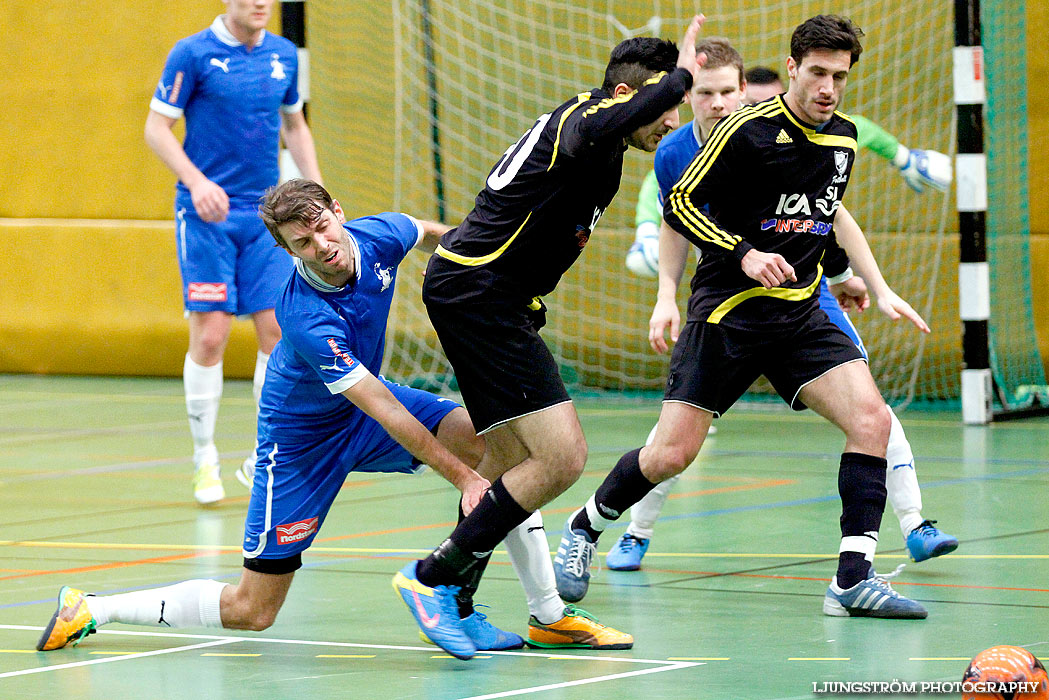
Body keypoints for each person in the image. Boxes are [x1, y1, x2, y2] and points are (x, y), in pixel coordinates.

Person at [35, 180, 628, 655]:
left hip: (364, 409)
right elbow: (386, 409)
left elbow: (432, 235)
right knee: (254, 609)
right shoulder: (305, 317)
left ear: (337, 212)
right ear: (287, 251)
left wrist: (491, 276)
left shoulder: (376, 237)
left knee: (510, 457)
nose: (321, 244)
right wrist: (463, 479)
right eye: (302, 242)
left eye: (322, 226)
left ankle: (546, 613)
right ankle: (92, 607)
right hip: (302, 444)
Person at [556, 15, 931, 620]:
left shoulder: (843, 139)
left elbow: (820, 212)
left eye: (839, 76)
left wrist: (846, 274)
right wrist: (746, 254)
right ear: (791, 69)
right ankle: (583, 525)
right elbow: (680, 204)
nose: (828, 88)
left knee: (872, 421)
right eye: (816, 73)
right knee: (670, 456)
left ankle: (852, 580)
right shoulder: (744, 131)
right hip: (727, 315)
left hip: (801, 313)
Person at [390, 17, 709, 661]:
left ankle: (459, 603)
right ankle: (431, 578)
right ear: (630, 95)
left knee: (505, 461)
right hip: (481, 295)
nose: (672, 122)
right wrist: (682, 75)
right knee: (562, 458)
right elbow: (610, 119)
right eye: (666, 107)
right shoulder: (584, 123)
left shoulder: (600, 145)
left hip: (485, 295)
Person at [145, 0, 322, 505]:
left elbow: (295, 126)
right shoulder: (192, 54)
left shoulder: (285, 55)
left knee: (276, 329)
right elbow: (156, 128)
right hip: (207, 218)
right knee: (211, 335)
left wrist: (316, 193)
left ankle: (266, 454)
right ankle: (205, 460)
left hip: (267, 215)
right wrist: (196, 181)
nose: (261, 3)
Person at [743, 66, 952, 193]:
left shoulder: (812, 138)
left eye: (772, 103)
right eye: (755, 105)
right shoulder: (728, 141)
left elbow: (859, 128)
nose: (766, 113)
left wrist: (905, 159)